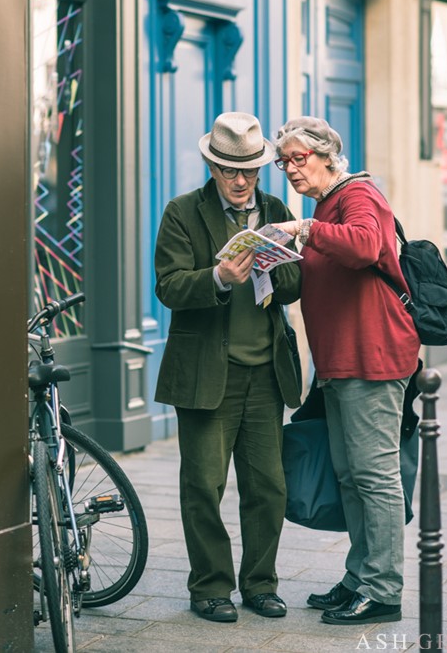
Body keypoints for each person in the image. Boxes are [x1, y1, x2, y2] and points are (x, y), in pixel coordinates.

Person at [154, 111, 302, 624]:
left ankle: (260, 584)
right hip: (204, 375)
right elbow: (168, 285)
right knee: (204, 486)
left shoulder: (277, 208)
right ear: (212, 168)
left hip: (266, 375)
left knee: (268, 487)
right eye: (231, 171)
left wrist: (274, 269)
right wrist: (217, 277)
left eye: (251, 172)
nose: (242, 182)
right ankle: (210, 588)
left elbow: (296, 286)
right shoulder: (181, 213)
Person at [272, 116, 420, 626]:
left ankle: (382, 590)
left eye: (299, 157)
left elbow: (363, 246)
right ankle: (359, 577)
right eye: (283, 161)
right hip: (339, 362)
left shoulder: (359, 195)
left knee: (375, 477)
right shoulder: (325, 205)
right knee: (352, 477)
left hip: (372, 359)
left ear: (327, 156)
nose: (290, 168)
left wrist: (306, 230)